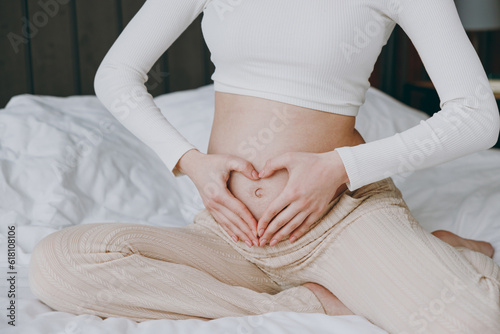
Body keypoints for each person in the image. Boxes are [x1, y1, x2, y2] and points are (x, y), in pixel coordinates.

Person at [29, 0, 500, 332]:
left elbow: (477, 116)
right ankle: (318, 302)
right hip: (230, 233)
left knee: (474, 323)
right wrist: (189, 162)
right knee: (58, 264)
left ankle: (443, 254)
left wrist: (338, 167)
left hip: (341, 222)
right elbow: (116, 75)